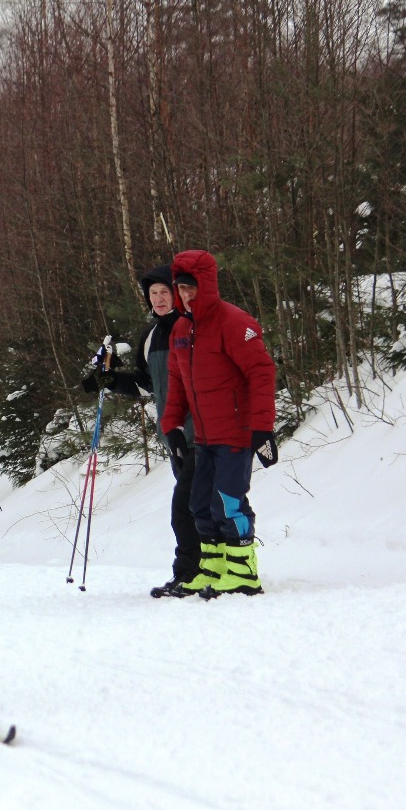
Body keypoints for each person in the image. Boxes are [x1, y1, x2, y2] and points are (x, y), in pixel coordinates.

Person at [160, 250, 278, 598]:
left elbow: (261, 373)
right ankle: (214, 569)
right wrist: (172, 427)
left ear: (206, 286)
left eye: (192, 288)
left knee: (229, 502)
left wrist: (261, 426)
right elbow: (176, 382)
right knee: (199, 504)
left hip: (236, 433)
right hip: (204, 436)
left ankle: (244, 572)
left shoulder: (233, 322)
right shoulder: (181, 329)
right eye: (181, 289)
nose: (186, 295)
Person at [81, 265, 199, 598]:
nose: (159, 299)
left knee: (187, 506)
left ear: (176, 294)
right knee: (195, 506)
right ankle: (207, 570)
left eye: (164, 292)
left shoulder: (191, 325)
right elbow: (146, 385)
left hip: (204, 431)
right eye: (153, 294)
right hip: (174, 435)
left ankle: (193, 572)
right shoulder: (149, 336)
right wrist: (107, 379)